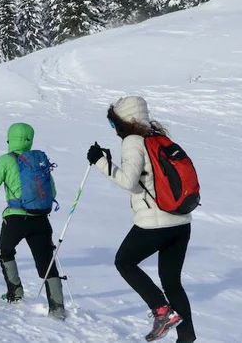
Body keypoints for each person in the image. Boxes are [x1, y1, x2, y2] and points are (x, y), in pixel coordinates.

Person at [87, 96, 195, 343]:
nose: (113, 128)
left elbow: (128, 181)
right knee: (172, 282)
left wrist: (100, 162)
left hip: (155, 222)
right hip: (181, 221)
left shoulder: (133, 142)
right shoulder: (157, 138)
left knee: (124, 261)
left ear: (125, 121)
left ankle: (162, 311)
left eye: (113, 122)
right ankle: (186, 338)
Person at [0, 122, 66, 320]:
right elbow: (53, 192)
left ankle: (15, 292)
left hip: (15, 218)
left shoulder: (6, 160)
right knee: (47, 262)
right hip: (41, 219)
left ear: (10, 139)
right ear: (30, 140)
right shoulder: (39, 161)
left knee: (5, 250)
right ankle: (57, 308)